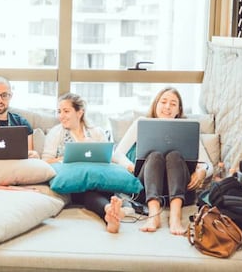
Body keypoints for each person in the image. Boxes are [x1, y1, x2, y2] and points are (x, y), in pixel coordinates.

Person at [112, 87, 213, 235]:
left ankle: (175, 217)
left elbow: (208, 164)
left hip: (182, 189)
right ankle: (154, 215)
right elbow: (117, 154)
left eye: (173, 104)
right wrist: (130, 166)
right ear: (156, 104)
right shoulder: (141, 123)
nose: (167, 107)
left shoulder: (188, 128)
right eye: (163, 102)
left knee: (174, 156)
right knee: (155, 156)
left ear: (178, 110)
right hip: (147, 187)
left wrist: (202, 171)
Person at [41, 92, 125, 233]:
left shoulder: (96, 132)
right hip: (74, 182)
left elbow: (108, 158)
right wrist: (64, 158)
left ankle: (112, 211)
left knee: (102, 186)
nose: (61, 116)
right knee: (88, 194)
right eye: (59, 111)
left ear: (79, 112)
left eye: (66, 111)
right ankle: (109, 212)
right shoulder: (56, 133)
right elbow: (45, 161)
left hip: (96, 177)